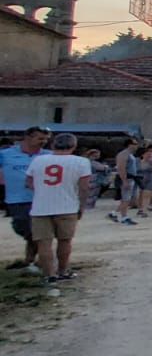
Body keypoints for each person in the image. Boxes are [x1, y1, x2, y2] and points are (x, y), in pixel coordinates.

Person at [24, 133, 92, 295]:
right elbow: (84, 187)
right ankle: (63, 270)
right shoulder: (81, 162)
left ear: (54, 145)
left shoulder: (39, 160)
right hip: (67, 206)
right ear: (73, 146)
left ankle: (49, 275)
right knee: (65, 241)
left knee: (44, 243)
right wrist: (81, 206)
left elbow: (29, 182)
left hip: (41, 207)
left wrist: (42, 190)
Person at [2, 126, 49, 272]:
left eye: (46, 139)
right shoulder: (5, 154)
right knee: (22, 226)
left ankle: (33, 260)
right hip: (16, 198)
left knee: (37, 230)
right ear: (28, 137)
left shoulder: (48, 155)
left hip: (42, 198)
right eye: (40, 138)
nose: (44, 142)